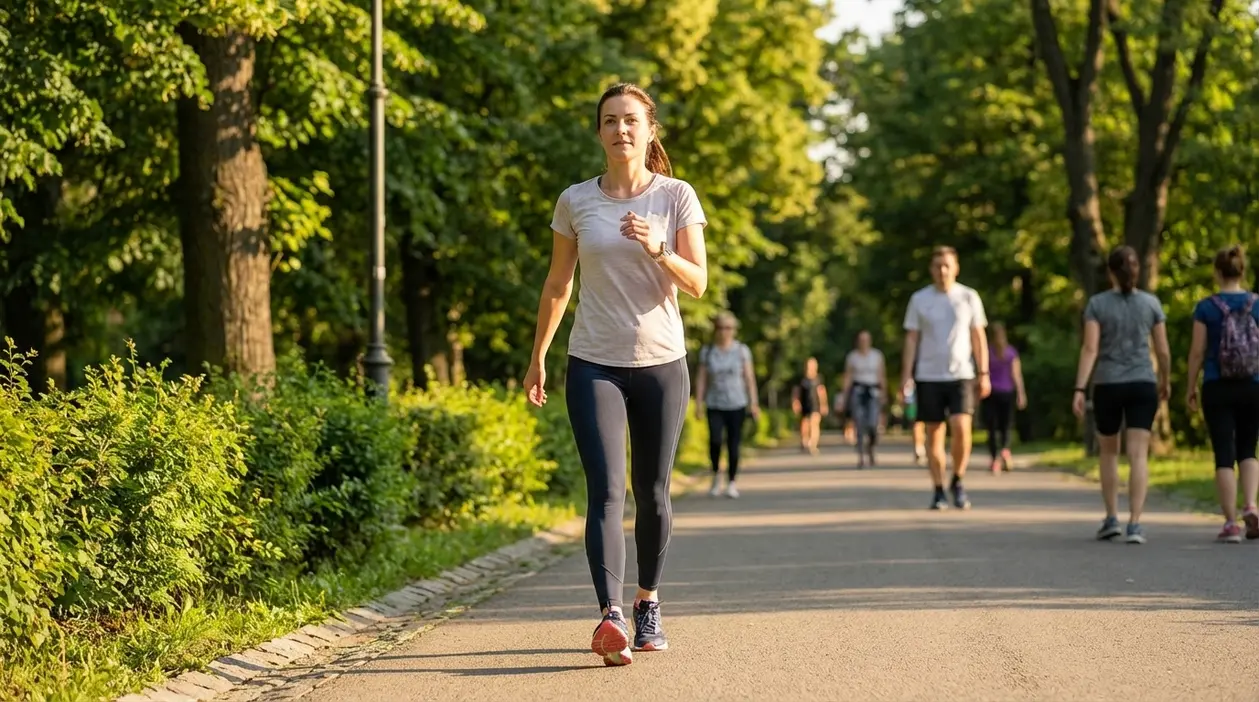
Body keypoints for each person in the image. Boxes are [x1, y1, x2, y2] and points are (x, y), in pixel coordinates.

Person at [523, 83, 708, 666]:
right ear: (599, 131)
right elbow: (558, 284)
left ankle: (647, 601)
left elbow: (698, 283)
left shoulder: (676, 196)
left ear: (650, 130)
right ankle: (611, 616)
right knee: (604, 490)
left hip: (661, 362)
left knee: (651, 492)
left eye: (630, 120)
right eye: (609, 121)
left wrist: (659, 249)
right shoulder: (575, 200)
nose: (620, 130)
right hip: (593, 361)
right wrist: (539, 356)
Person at [1072, 245, 1170, 545]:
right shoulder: (1151, 304)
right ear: (1137, 271)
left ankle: (1112, 517)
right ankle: (1135, 524)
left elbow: (1090, 349)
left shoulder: (1097, 304)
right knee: (1138, 454)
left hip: (1108, 384)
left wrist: (1079, 388)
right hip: (1143, 383)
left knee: (1109, 452)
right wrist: (1165, 380)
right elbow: (1163, 350)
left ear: (1110, 272)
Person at [900, 246, 990, 510]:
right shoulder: (920, 299)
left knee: (962, 427)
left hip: (962, 373)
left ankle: (958, 480)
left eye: (947, 265)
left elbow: (978, 336)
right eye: (937, 266)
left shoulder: (968, 297)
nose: (942, 271)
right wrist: (906, 375)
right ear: (931, 269)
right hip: (928, 375)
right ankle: (938, 488)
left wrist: (984, 373)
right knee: (934, 433)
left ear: (956, 268)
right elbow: (911, 339)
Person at [1185, 245, 1259, 543]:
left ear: (1217, 272)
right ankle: (1251, 505)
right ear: (1242, 271)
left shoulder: (1206, 307)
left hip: (1217, 385)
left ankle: (1230, 524)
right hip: (1253, 385)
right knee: (1248, 448)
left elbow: (1197, 352)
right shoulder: (1257, 304)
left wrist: (1191, 386)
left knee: (1223, 453)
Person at [695, 311, 761, 499]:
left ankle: (731, 482)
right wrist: (698, 403)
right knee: (715, 441)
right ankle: (716, 476)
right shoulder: (708, 352)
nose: (724, 331)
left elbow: (749, 378)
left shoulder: (741, 351)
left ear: (734, 330)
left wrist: (754, 402)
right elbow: (701, 379)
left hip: (737, 403)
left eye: (728, 328)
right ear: (715, 330)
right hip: (714, 403)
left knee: (734, 444)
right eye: (721, 328)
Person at [984, 323, 1027, 473]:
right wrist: (1021, 393)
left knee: (991, 427)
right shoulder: (1011, 352)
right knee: (1006, 426)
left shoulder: (987, 352)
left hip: (990, 393)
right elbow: (1016, 375)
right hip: (1007, 392)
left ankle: (994, 459)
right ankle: (1005, 450)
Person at [839, 330, 886, 468]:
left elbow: (881, 375)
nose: (863, 342)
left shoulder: (877, 356)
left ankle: (871, 447)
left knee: (872, 423)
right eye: (861, 340)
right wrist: (843, 396)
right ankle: (860, 455)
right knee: (858, 423)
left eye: (866, 340)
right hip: (858, 390)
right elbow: (848, 377)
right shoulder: (852, 357)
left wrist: (884, 393)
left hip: (873, 391)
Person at [792, 357, 829, 454]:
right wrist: (795, 402)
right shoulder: (801, 379)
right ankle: (805, 441)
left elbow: (822, 392)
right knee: (804, 425)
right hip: (804, 404)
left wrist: (824, 404)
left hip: (815, 404)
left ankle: (813, 444)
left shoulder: (819, 379)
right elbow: (796, 391)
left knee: (814, 424)